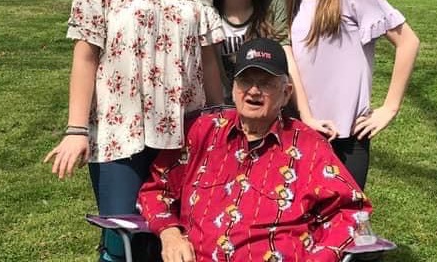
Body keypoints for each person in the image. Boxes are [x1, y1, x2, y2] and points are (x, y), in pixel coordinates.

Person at [43, 0, 224, 262]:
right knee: (123, 242)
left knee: (182, 239)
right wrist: (76, 130)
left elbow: (208, 60)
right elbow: (85, 57)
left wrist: (220, 125)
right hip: (118, 134)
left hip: (185, 133)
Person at [138, 38, 372, 262]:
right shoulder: (201, 133)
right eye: (245, 81)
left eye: (266, 83)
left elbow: (352, 210)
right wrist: (170, 234)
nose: (253, 91)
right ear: (233, 88)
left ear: (286, 93)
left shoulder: (310, 147)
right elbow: (156, 190)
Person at [285, 0, 420, 190]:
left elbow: (408, 42)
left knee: (344, 218)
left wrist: (390, 108)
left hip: (348, 139)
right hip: (302, 133)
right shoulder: (293, 0)